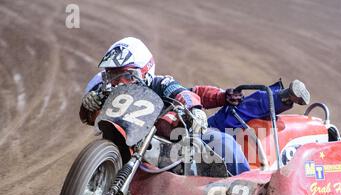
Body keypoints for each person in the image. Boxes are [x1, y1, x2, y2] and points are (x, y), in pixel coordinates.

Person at [79, 37, 250, 175]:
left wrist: (195, 110)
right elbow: (88, 118)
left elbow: (184, 93)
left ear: (145, 72)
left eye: (126, 75)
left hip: (172, 145)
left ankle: (248, 187)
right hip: (125, 148)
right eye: (113, 75)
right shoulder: (105, 88)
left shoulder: (161, 83)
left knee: (224, 142)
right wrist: (89, 105)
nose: (118, 82)